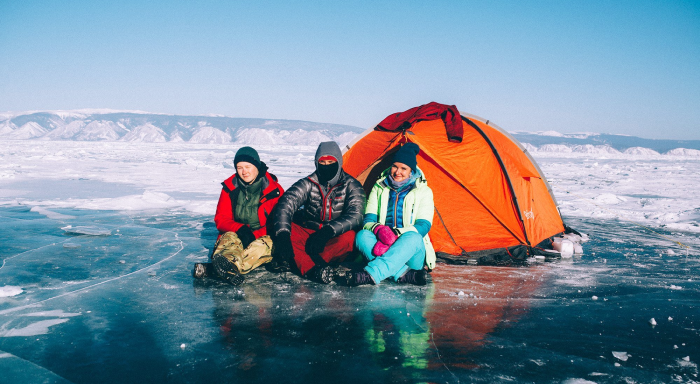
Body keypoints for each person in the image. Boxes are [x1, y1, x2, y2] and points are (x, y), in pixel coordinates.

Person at [269, 141, 365, 283]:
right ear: (316, 163)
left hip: (334, 234)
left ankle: (303, 262)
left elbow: (356, 215)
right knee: (287, 231)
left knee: (349, 238)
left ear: (339, 162)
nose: (326, 167)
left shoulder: (351, 185)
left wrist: (328, 231)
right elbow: (286, 203)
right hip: (309, 230)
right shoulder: (308, 183)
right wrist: (283, 235)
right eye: (322, 163)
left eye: (331, 162)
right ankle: (314, 270)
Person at [346, 142, 435, 286]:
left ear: (411, 170)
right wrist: (380, 230)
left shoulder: (423, 191)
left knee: (413, 237)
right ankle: (405, 275)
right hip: (382, 245)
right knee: (362, 236)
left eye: (403, 168)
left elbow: (423, 226)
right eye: (395, 166)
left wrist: (394, 234)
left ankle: (370, 274)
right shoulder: (379, 187)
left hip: (411, 251)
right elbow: (369, 219)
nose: (397, 172)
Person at [193, 146, 284, 285]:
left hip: (262, 236)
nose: (244, 171)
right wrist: (240, 229)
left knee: (263, 245)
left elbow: (279, 222)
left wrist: (254, 235)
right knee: (229, 238)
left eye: (248, 166)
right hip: (237, 234)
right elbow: (221, 219)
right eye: (239, 167)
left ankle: (220, 269)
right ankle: (227, 265)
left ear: (257, 166)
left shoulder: (274, 190)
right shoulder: (229, 188)